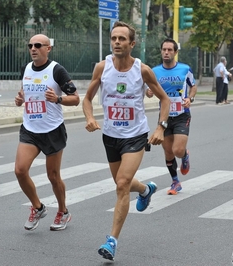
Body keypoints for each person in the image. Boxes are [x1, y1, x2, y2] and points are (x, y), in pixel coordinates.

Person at [82, 21, 170, 261]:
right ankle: (145, 189)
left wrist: (160, 128)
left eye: (122, 39)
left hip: (135, 135)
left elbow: (164, 100)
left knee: (121, 184)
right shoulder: (102, 67)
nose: (117, 43)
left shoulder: (142, 70)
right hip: (110, 136)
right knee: (124, 183)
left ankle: (111, 241)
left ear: (132, 44)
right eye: (114, 38)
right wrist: (89, 117)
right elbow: (87, 99)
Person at [14, 34, 80, 232]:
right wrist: (20, 99)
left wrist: (58, 100)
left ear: (48, 48)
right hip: (30, 129)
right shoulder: (26, 68)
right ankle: (38, 207)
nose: (33, 48)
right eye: (30, 45)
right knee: (20, 170)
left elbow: (75, 98)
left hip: (52, 129)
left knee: (53, 176)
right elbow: (24, 92)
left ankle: (63, 211)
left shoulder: (57, 70)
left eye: (38, 45)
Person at [146, 38, 197, 195]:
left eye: (169, 50)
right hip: (165, 117)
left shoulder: (184, 69)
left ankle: (184, 155)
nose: (166, 52)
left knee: (177, 150)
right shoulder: (154, 71)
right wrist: (149, 92)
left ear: (175, 52)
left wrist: (190, 98)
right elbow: (149, 91)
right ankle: (175, 181)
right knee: (168, 152)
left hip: (182, 115)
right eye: (164, 50)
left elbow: (193, 86)